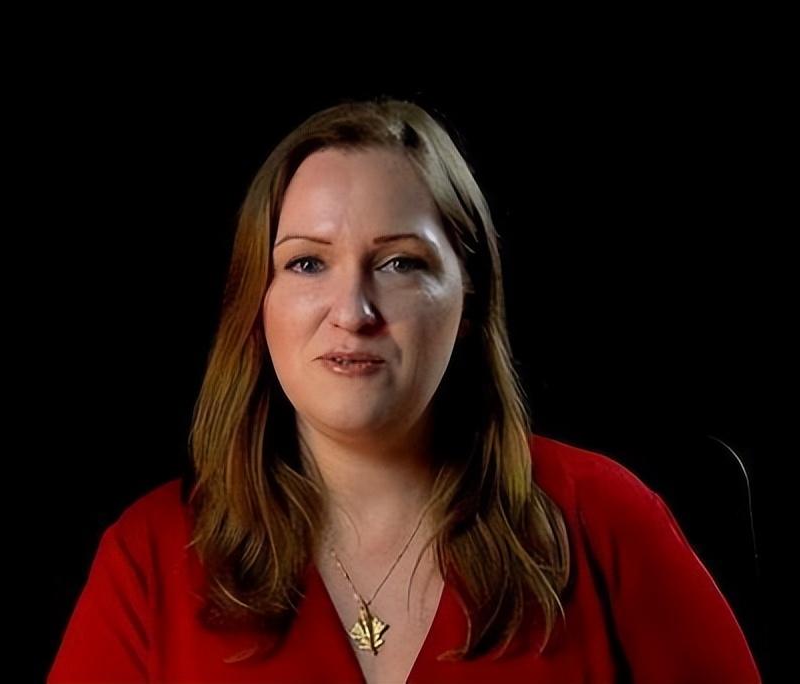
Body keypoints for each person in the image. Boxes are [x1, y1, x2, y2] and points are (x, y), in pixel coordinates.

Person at [48, 99, 761, 683]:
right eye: (306, 263)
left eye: (400, 263)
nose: (353, 312)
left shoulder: (606, 519)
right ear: (255, 305)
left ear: (469, 296)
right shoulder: (148, 556)